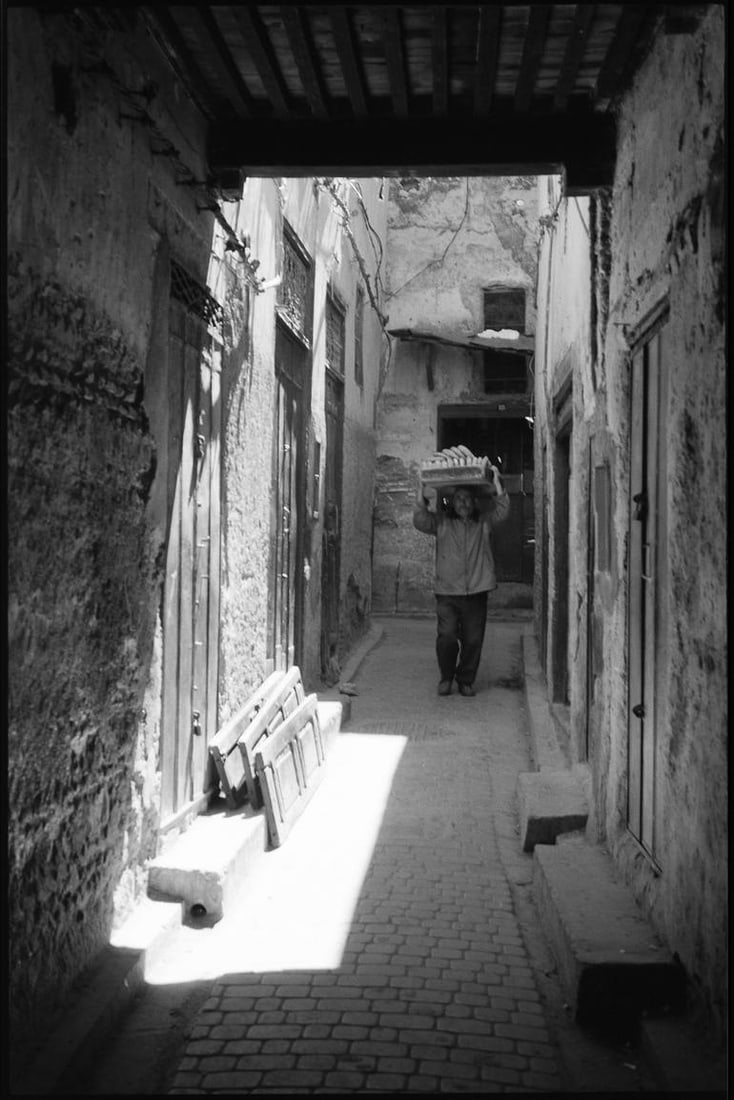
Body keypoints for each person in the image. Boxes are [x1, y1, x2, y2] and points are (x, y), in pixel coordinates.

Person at [413, 466, 510, 696]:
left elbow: (503, 511)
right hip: (447, 591)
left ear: (474, 502)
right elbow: (420, 520)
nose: (463, 502)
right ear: (452, 502)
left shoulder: (484, 522)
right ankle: (446, 676)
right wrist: (420, 490)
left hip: (477, 590)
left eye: (467, 498)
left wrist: (497, 482)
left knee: (473, 639)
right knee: (446, 636)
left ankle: (465, 679)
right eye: (458, 499)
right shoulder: (442, 523)